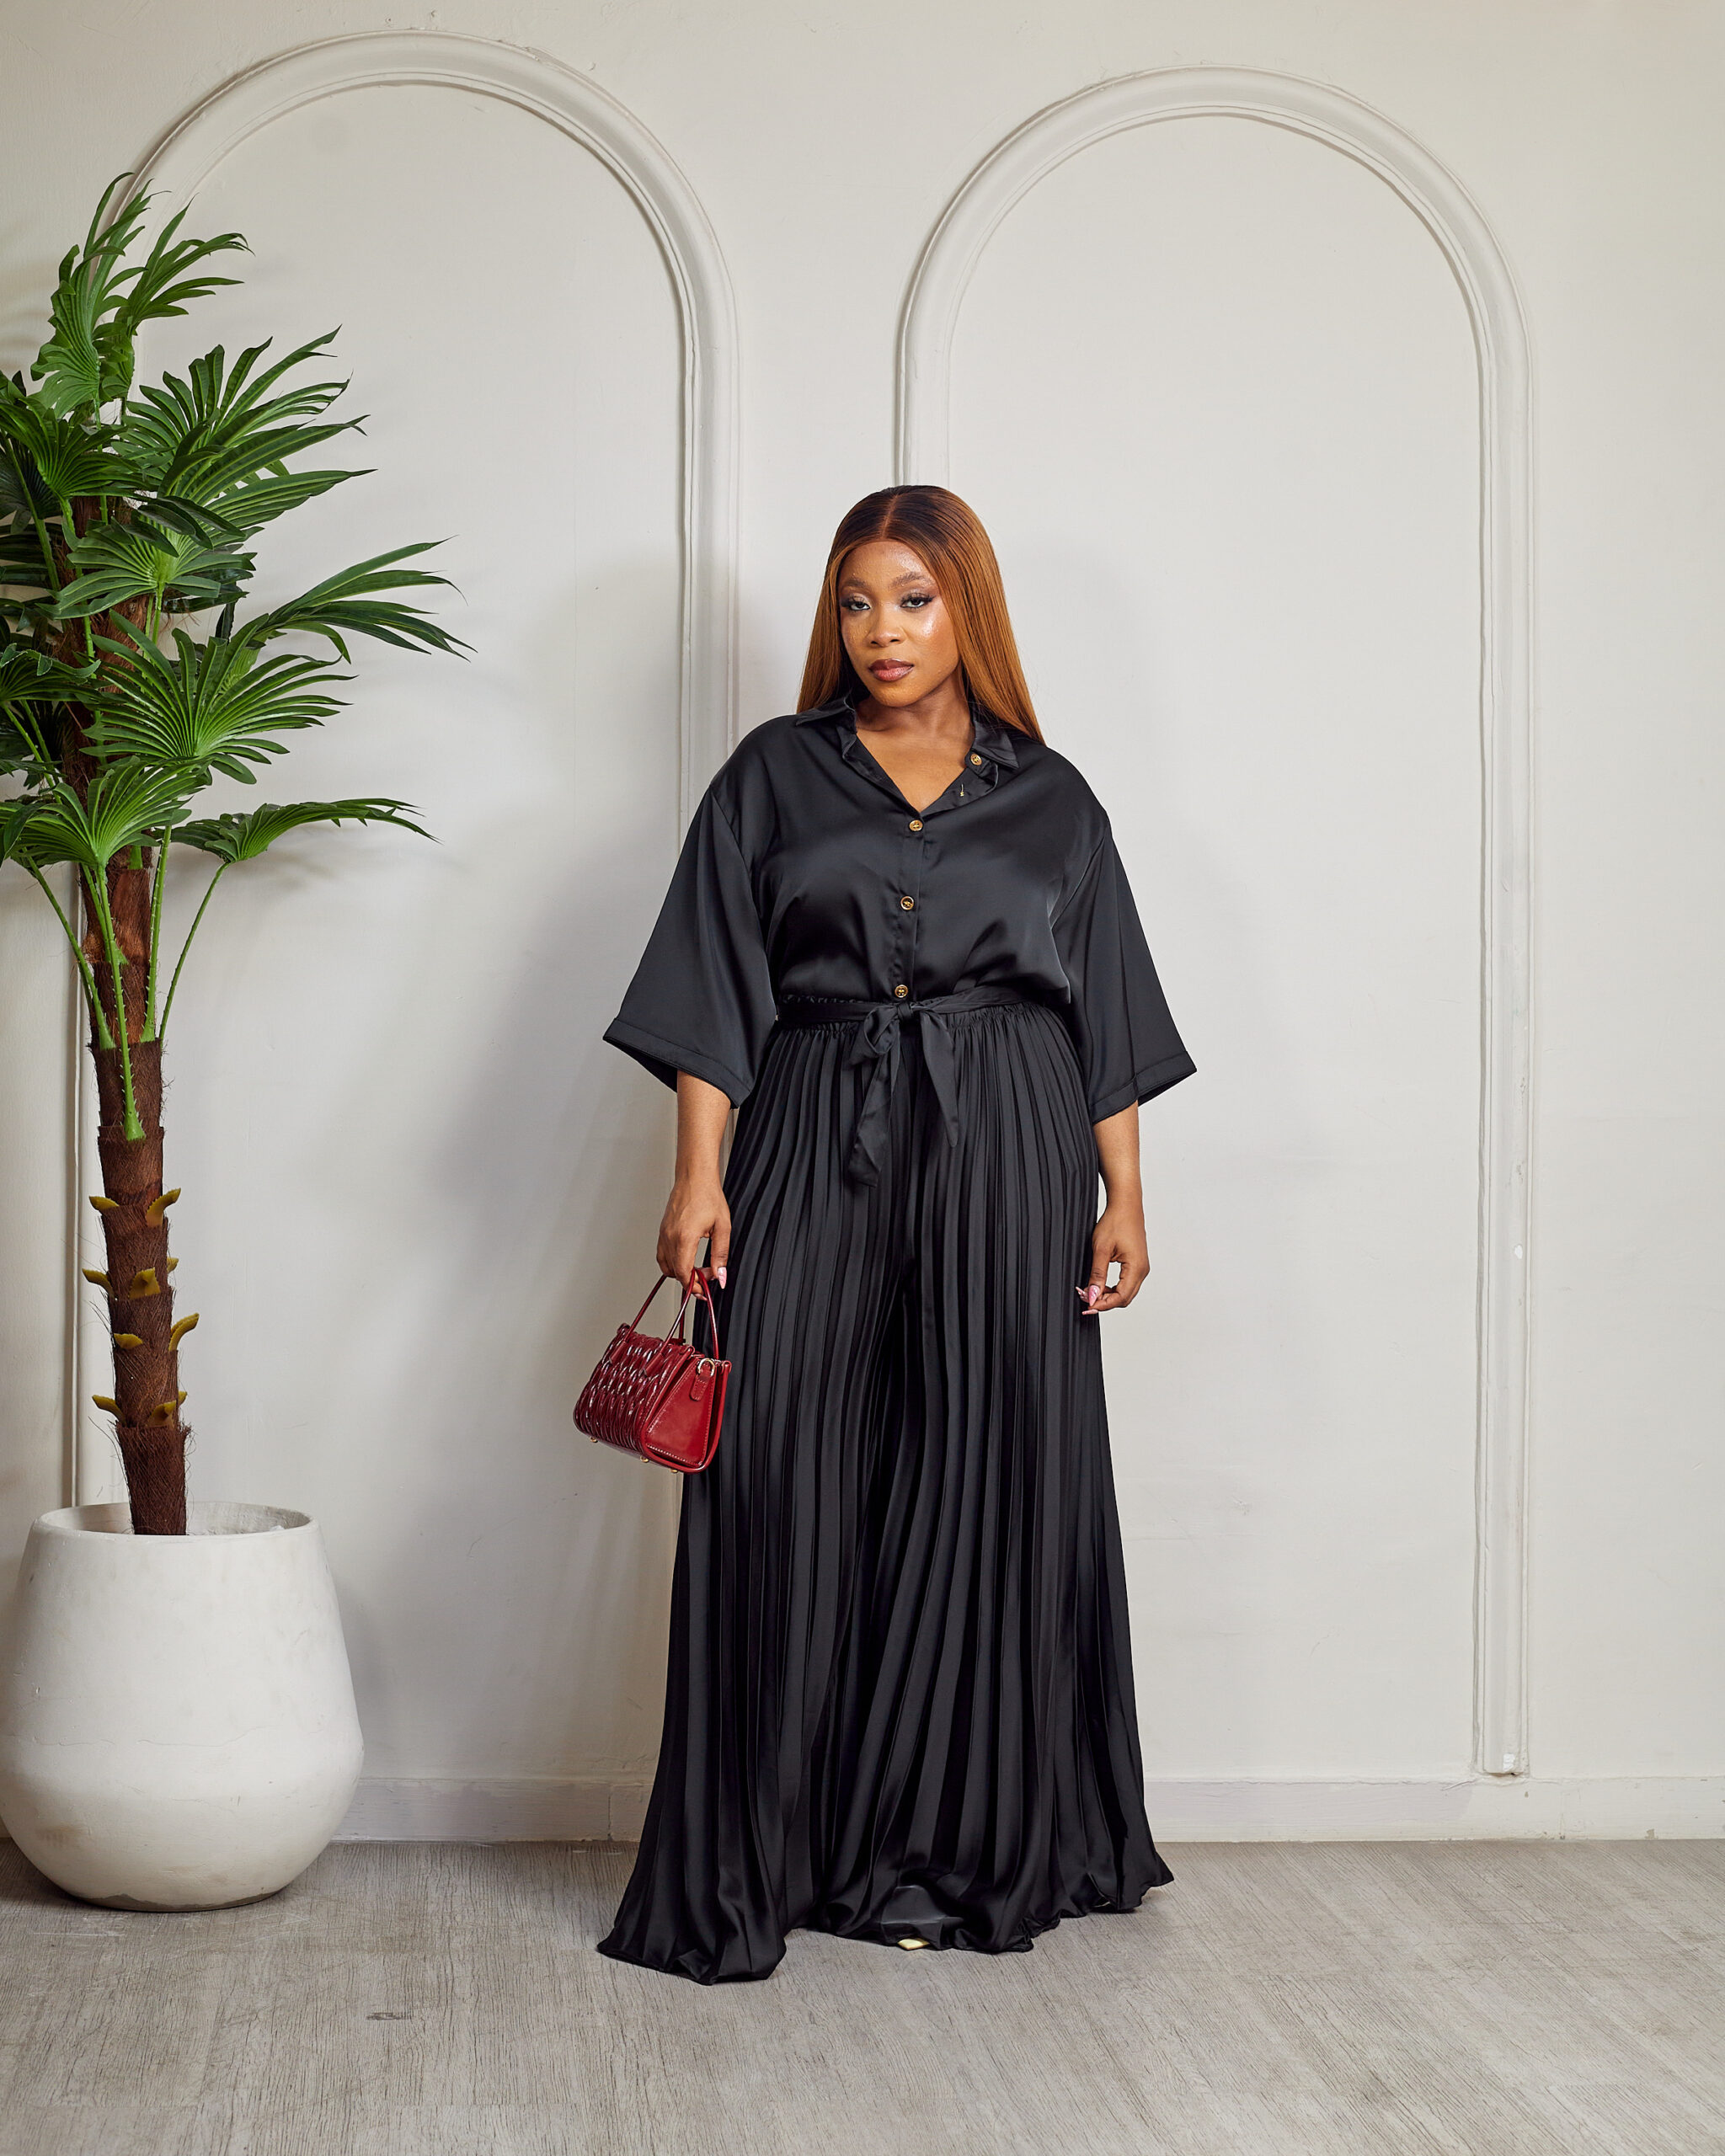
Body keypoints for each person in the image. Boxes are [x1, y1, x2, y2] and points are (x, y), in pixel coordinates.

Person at [597, 484, 1194, 1983]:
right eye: (858, 601)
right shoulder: (771, 775)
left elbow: (1106, 1006)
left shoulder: (1053, 797)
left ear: (966, 609)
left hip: (1010, 1145)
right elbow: (712, 986)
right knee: (779, 1473)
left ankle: (946, 1849)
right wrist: (697, 1176)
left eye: (914, 601)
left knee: (983, 1477)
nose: (884, 631)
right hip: (812, 1124)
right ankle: (771, 1848)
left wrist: (1124, 1192)